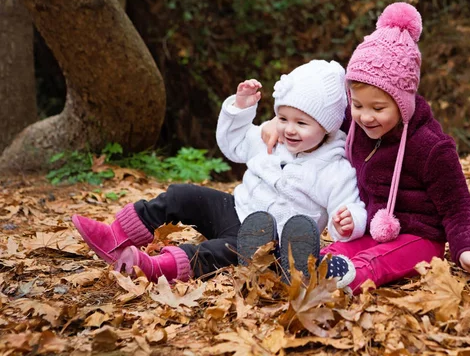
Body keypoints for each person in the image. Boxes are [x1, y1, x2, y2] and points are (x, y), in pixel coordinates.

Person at [262, 2, 470, 295]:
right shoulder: (354, 124)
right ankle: (302, 269)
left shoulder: (431, 147)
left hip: (420, 238)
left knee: (374, 261)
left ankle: (338, 284)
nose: (365, 116)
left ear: (402, 102)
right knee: (339, 248)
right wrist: (275, 123)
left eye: (378, 108)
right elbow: (315, 119)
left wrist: (465, 249)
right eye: (357, 105)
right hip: (372, 228)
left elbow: (459, 207)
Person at [70, 60, 365, 287]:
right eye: (283, 117)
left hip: (266, 243)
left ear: (326, 126)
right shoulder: (272, 137)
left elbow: (347, 207)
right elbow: (233, 145)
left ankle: (158, 267)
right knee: (183, 196)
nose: (289, 128)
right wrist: (240, 109)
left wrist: (348, 222)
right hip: (234, 210)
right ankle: (117, 236)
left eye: (301, 123)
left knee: (217, 252)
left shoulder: (335, 169)